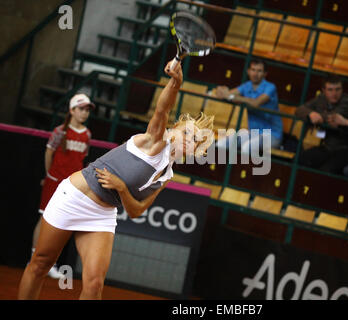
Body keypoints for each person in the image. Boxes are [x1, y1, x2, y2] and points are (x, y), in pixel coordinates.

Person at [18, 62, 215, 300]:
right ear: (174, 129)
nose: (189, 139)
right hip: (74, 196)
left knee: (94, 285)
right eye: (186, 132)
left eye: (195, 139)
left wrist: (121, 188)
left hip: (102, 214)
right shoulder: (153, 140)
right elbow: (162, 109)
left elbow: (136, 211)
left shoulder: (167, 175)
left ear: (196, 150)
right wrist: (176, 83)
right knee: (40, 263)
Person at [30, 93, 94, 279]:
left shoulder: (87, 134)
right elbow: (49, 152)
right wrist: (49, 174)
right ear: (72, 110)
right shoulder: (60, 131)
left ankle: (50, 263)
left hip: (73, 187)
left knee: (63, 224)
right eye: (81, 109)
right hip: (55, 182)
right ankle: (34, 258)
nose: (84, 113)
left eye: (87, 110)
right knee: (44, 219)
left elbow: (82, 159)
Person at [295, 74, 348, 174]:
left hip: (345, 149)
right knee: (299, 159)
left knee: (325, 171)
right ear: (323, 90)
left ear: (342, 90)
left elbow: (332, 118)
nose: (334, 93)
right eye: (330, 90)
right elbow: (300, 110)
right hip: (326, 146)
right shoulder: (321, 99)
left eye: (338, 89)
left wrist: (319, 116)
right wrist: (311, 113)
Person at [214, 59, 283, 153]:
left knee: (247, 148)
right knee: (221, 143)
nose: (255, 74)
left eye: (259, 71)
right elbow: (226, 95)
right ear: (248, 71)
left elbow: (256, 103)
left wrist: (234, 97)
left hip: (271, 135)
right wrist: (221, 89)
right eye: (253, 70)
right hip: (253, 133)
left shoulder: (270, 87)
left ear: (265, 74)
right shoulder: (247, 85)